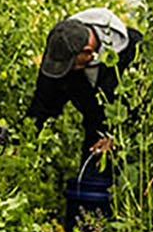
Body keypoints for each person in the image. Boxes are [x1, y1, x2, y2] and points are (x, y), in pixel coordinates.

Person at [27, 8, 143, 162]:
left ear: (88, 52)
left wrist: (119, 137)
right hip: (94, 140)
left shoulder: (133, 51)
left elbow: (146, 106)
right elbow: (43, 104)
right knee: (88, 182)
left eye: (70, 65)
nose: (65, 71)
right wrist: (22, 140)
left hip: (135, 146)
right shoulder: (61, 47)